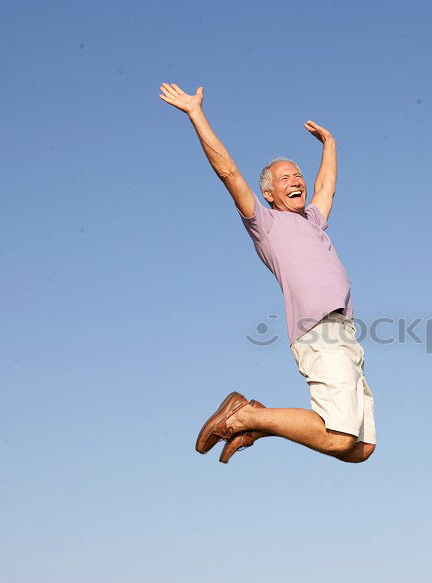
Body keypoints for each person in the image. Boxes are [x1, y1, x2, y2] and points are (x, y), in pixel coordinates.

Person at [158, 82, 376, 465]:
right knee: (341, 437)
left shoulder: (313, 221)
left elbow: (326, 187)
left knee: (360, 449)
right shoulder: (266, 224)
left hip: (347, 335)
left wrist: (330, 145)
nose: (297, 181)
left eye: (298, 176)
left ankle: (256, 423)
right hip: (318, 329)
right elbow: (227, 170)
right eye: (285, 178)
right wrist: (196, 114)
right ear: (270, 194)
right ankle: (244, 415)